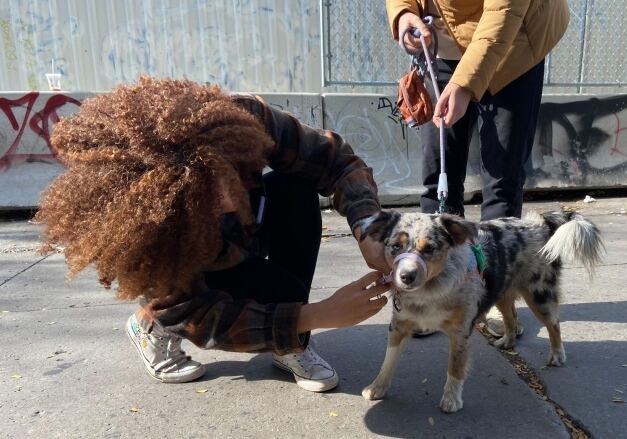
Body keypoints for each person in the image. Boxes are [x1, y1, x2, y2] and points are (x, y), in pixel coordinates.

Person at [35, 77, 391, 392]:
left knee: (294, 187)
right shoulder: (145, 230)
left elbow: (336, 161)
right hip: (195, 268)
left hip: (241, 245)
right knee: (179, 306)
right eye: (202, 198)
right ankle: (150, 325)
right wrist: (317, 315)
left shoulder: (236, 123)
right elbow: (199, 317)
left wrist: (367, 227)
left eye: (227, 179)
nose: (227, 202)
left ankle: (288, 342)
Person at [386, 0, 569, 219]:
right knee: (439, 180)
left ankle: (493, 253)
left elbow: (502, 15)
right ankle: (444, 252)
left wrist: (464, 85)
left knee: (502, 181)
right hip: (442, 48)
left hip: (512, 47)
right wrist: (403, 13)